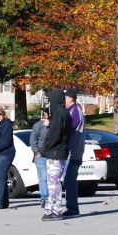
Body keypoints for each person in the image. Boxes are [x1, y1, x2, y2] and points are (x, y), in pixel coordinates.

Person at [41, 90, 72, 221]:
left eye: (50, 100)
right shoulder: (64, 113)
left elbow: (55, 134)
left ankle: (55, 210)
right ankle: (52, 208)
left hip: (55, 152)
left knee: (53, 183)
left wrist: (45, 148)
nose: (49, 103)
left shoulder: (59, 114)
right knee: (55, 181)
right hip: (60, 152)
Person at [63, 89, 85, 218]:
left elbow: (70, 127)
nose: (63, 101)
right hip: (72, 151)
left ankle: (73, 208)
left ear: (71, 98)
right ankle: (71, 207)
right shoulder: (71, 110)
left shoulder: (74, 110)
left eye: (65, 98)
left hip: (74, 152)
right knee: (68, 180)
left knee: (69, 180)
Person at [30, 106, 50, 208]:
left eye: (48, 111)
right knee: (43, 178)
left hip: (53, 156)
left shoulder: (55, 125)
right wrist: (36, 153)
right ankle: (45, 198)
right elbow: (33, 140)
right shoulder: (38, 125)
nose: (46, 113)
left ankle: (51, 198)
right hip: (41, 156)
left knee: (52, 178)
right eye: (45, 111)